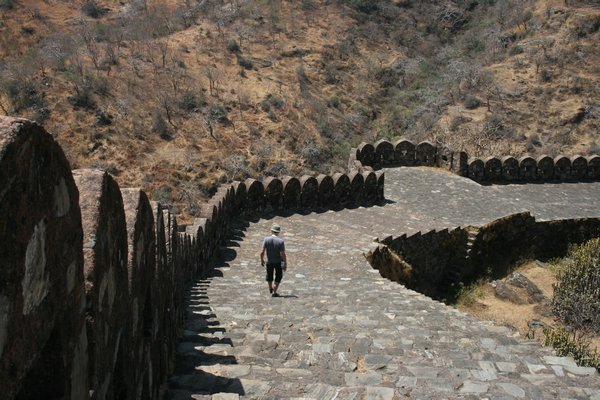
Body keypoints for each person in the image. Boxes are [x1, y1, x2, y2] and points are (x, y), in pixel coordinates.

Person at [260, 223, 287, 297]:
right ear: (278, 232)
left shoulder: (266, 239)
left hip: (269, 261)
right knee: (278, 276)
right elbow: (282, 254)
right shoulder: (281, 241)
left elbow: (262, 252)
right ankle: (274, 291)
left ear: (272, 231)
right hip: (278, 262)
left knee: (269, 275)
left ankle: (270, 287)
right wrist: (285, 263)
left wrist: (262, 260)